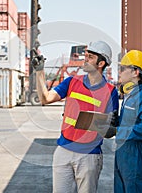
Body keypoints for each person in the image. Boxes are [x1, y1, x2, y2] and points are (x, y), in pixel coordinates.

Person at [32, 41, 119, 193]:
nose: (85, 59)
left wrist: (104, 127)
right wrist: (39, 71)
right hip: (63, 151)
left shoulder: (110, 92)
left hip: (89, 156)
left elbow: (111, 128)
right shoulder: (72, 81)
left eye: (90, 57)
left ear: (101, 63)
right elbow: (45, 98)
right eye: (86, 56)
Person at [114, 50, 142, 192]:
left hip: (136, 159)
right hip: (123, 157)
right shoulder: (128, 95)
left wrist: (118, 131)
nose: (119, 72)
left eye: (123, 68)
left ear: (135, 72)